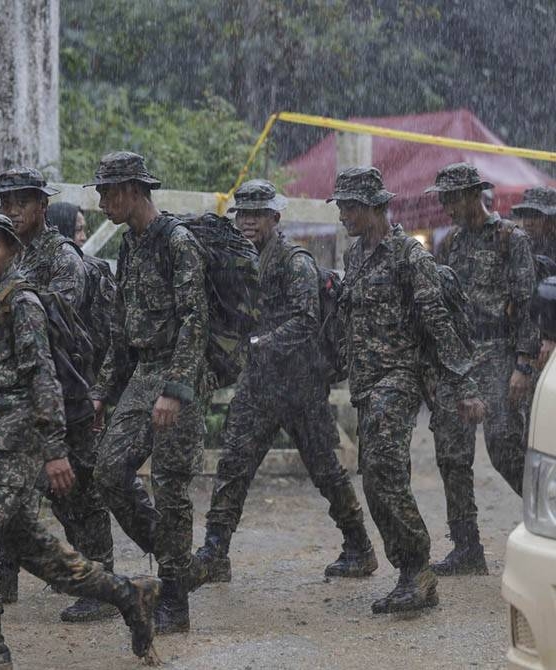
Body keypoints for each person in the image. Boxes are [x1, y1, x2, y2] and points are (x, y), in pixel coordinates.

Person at [0, 212, 160, 670]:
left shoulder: (21, 301)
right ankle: (128, 593)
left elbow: (43, 377)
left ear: (11, 251)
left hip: (17, 438)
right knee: (33, 548)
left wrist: (54, 451)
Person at [0, 168, 123, 623]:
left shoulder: (60, 259)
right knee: (3, 495)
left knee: (77, 494)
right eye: (5, 203)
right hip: (21, 396)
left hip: (62, 387)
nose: (11, 211)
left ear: (42, 207)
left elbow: (54, 337)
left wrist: (89, 398)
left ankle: (104, 586)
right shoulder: (9, 255)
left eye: (20, 203)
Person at [191, 179, 375, 589]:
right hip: (259, 385)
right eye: (242, 213)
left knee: (326, 470)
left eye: (257, 214)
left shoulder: (295, 262)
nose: (248, 222)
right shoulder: (239, 260)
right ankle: (215, 552)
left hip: (300, 386)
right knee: (233, 466)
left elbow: (306, 322)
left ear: (275, 217)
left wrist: (260, 343)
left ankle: (359, 546)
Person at [332, 167, 485, 613]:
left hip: (399, 378)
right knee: (377, 478)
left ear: (377, 207)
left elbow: (438, 324)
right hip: (366, 381)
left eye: (351, 206)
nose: (344, 215)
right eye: (340, 206)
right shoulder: (354, 256)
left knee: (382, 468)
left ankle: (417, 569)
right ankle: (409, 570)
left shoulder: (407, 257)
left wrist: (464, 384)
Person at [86, 151, 209, 634]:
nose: (102, 202)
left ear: (135, 190)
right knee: (110, 471)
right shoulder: (129, 246)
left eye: (108, 191)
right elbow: (120, 330)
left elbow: (195, 321)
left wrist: (176, 390)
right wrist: (101, 393)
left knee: (172, 486)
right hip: (143, 372)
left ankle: (174, 599)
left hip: (182, 374)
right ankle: (180, 561)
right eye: (99, 192)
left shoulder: (177, 242)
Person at [426, 163, 539, 575]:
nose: (446, 207)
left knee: (505, 443)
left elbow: (528, 306)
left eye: (452, 198)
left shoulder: (511, 239)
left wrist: (523, 365)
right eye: (442, 199)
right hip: (462, 354)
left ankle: (550, 516)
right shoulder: (452, 243)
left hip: (500, 351)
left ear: (474, 196)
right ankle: (467, 547)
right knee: (452, 450)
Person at [512, 185, 556, 367]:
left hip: (548, 347)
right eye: (525, 215)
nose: (528, 222)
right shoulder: (519, 248)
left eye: (536, 215)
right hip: (519, 344)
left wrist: (550, 336)